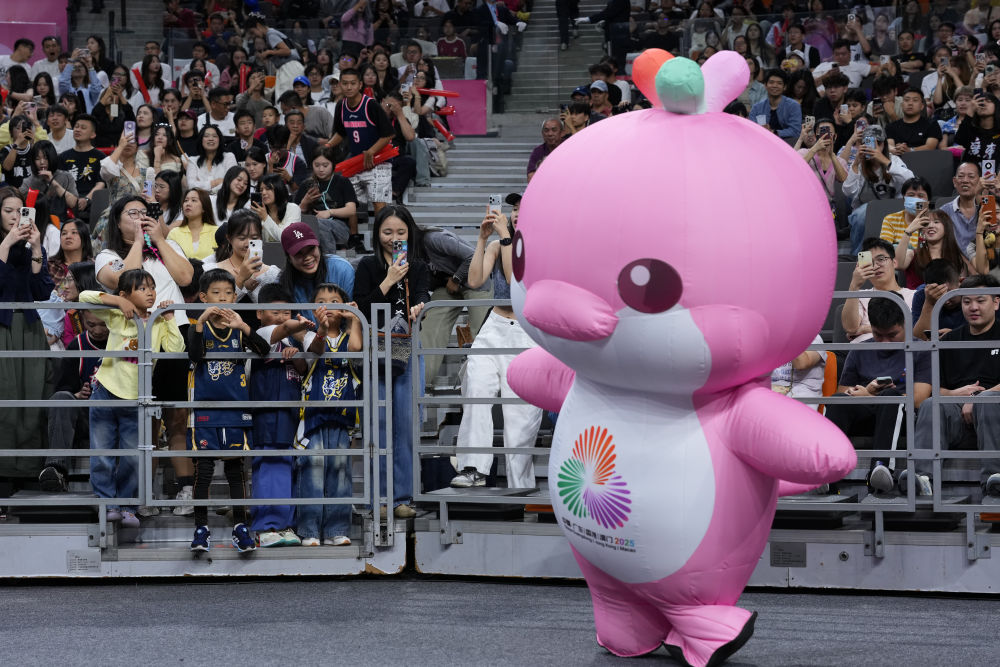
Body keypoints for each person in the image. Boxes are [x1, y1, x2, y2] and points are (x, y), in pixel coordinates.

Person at [95, 195, 195, 514]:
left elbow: (186, 278)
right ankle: (143, 494)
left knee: (176, 417)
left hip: (174, 332)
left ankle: (186, 489)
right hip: (138, 341)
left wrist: (159, 239)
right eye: (131, 213)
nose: (139, 216)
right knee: (145, 421)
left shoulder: (168, 245)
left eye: (144, 212)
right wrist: (139, 241)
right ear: (117, 221)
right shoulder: (109, 256)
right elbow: (123, 280)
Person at [79, 269, 184, 527]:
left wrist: (170, 319)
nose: (150, 293)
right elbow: (84, 296)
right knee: (102, 453)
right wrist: (118, 301)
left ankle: (127, 506)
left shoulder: (158, 322)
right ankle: (107, 504)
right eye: (142, 288)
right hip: (105, 392)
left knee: (132, 458)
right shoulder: (116, 315)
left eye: (152, 287)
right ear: (126, 294)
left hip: (137, 400)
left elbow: (176, 349)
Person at [450, 206, 543, 489]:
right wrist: (482, 239)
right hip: (494, 326)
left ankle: (520, 485)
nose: (517, 214)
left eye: (524, 209)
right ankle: (472, 468)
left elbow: (516, 281)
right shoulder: (496, 244)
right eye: (514, 209)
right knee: (476, 390)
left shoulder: (540, 246)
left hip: (527, 331)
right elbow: (474, 280)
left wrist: (505, 238)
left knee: (520, 416)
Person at [186, 268, 270, 553]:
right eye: (215, 293)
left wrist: (244, 327)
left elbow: (264, 350)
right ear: (203, 297)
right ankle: (201, 528)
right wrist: (201, 322)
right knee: (204, 472)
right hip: (204, 412)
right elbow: (194, 355)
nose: (222, 298)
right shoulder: (197, 327)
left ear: (235, 297)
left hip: (235, 411)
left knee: (236, 471)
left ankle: (240, 527)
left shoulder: (239, 328)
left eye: (228, 293)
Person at [353, 205, 428, 517]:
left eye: (400, 232)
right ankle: (378, 499)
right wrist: (388, 280)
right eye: (387, 232)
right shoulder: (367, 265)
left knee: (405, 425)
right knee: (377, 425)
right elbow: (362, 309)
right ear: (377, 234)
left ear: (410, 233)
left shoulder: (419, 265)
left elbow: (423, 296)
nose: (394, 238)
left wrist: (420, 306)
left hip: (407, 347)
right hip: (375, 348)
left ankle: (402, 498)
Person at [825, 297, 932, 492]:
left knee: (891, 397)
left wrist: (869, 396)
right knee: (837, 401)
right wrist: (864, 392)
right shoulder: (860, 350)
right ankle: (827, 474)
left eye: (892, 335)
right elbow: (843, 393)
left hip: (902, 416)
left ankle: (881, 469)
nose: (885, 342)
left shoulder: (921, 351)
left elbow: (919, 399)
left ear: (906, 324)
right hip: (866, 413)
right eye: (878, 335)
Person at [907, 274, 1000, 498]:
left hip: (994, 414)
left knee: (988, 401)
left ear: (996, 302)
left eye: (980, 300)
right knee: (931, 404)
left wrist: (978, 398)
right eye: (967, 302)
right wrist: (953, 394)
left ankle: (994, 481)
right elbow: (933, 389)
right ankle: (923, 480)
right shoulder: (949, 340)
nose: (973, 307)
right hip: (958, 417)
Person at [297, 282, 363, 546]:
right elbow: (316, 350)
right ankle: (309, 530)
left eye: (335, 302)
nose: (328, 306)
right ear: (314, 309)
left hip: (342, 417)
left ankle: (337, 529)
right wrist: (322, 329)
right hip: (313, 418)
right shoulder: (307, 334)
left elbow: (355, 350)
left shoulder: (350, 336)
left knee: (340, 471)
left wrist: (355, 320)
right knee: (313, 470)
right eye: (322, 302)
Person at [0, 187, 55, 493]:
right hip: (3, 328)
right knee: (5, 397)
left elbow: (42, 291)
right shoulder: (5, 244)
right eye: (8, 210)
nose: (14, 216)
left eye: (20, 210)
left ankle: (31, 471)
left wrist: (35, 247)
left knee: (33, 394)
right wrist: (7, 243)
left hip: (30, 329)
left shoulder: (31, 246)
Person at [249, 284, 309, 547]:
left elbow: (304, 369)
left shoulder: (292, 341)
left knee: (287, 466)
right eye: (275, 311)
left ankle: (286, 525)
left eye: (287, 311)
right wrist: (298, 325)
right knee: (268, 466)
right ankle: (266, 527)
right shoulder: (260, 334)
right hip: (267, 411)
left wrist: (296, 356)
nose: (282, 316)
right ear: (260, 313)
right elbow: (283, 329)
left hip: (291, 411)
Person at [39, 300, 108, 492]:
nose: (97, 330)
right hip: (85, 415)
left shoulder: (124, 343)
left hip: (113, 413)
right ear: (83, 320)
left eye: (103, 324)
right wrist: (77, 394)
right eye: (91, 324)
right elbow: (63, 387)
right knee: (62, 398)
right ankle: (56, 469)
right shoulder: (77, 345)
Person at [419, 223, 493, 390]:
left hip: (476, 280)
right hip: (447, 286)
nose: (395, 238)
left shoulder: (434, 238)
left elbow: (472, 255)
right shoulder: (402, 252)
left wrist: (456, 278)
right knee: (430, 327)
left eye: (401, 232)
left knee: (481, 333)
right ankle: (422, 384)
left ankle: (483, 385)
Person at [326, 68, 394, 230]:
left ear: (360, 85)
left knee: (379, 204)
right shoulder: (341, 106)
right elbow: (341, 133)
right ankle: (354, 237)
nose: (349, 87)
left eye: (353, 83)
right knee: (349, 203)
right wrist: (327, 146)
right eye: (345, 83)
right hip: (356, 161)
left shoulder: (371, 105)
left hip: (378, 161)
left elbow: (389, 134)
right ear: (340, 85)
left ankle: (380, 237)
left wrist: (371, 151)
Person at [843, 125, 915, 255]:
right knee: (861, 214)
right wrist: (855, 164)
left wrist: (884, 160)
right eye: (869, 143)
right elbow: (847, 192)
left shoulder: (893, 160)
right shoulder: (859, 164)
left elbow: (911, 180)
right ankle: (857, 256)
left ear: (884, 145)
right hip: (865, 211)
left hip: (892, 208)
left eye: (878, 143)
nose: (874, 147)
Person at [842, 238, 917, 343]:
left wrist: (864, 329)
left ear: (894, 262)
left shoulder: (914, 296)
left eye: (881, 259)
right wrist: (854, 285)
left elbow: (917, 331)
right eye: (870, 262)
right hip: (864, 351)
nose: (876, 266)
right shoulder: (859, 295)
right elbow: (850, 328)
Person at [278, 222, 355, 323]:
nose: (307, 257)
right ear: (289, 258)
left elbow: (350, 316)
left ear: (318, 246)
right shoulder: (283, 282)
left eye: (311, 249)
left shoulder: (342, 269)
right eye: (299, 253)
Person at [295, 146, 359, 254]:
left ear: (333, 164)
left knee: (317, 223)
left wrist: (329, 212)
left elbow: (351, 210)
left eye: (325, 165)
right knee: (312, 224)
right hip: (312, 225)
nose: (321, 169)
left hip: (339, 227)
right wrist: (304, 204)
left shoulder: (342, 181)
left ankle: (328, 257)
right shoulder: (306, 184)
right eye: (317, 165)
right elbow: (293, 214)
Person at [207, 209, 281, 302]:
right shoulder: (212, 271)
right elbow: (216, 308)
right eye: (242, 238)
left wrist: (251, 290)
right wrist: (241, 280)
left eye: (254, 238)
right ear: (229, 238)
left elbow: (276, 308)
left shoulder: (272, 274)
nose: (248, 244)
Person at [894, 209, 976, 289]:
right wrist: (908, 231)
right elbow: (897, 264)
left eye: (936, 222)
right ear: (922, 230)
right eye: (926, 223)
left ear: (946, 227)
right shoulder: (912, 254)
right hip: (917, 298)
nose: (930, 226)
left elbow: (961, 287)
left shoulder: (957, 258)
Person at [19, 141, 79, 240]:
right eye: (37, 159)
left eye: (45, 158)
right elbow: (20, 205)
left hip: (60, 222)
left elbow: (73, 203)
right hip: (35, 224)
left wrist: (53, 182)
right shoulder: (29, 181)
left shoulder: (66, 177)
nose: (42, 162)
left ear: (52, 158)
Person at [911, 259, 967, 341]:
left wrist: (954, 335)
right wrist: (929, 303)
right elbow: (918, 340)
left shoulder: (971, 295)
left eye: (949, 294)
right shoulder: (922, 296)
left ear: (961, 282)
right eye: (939, 296)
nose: (946, 301)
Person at [798, 119, 847, 211]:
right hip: (806, 204)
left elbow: (842, 178)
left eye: (829, 133)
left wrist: (832, 155)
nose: (825, 135)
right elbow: (795, 168)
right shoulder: (804, 152)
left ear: (835, 136)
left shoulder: (840, 161)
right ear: (816, 135)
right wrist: (814, 149)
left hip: (828, 208)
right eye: (821, 132)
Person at [942, 161, 985, 259]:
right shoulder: (944, 212)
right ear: (954, 181)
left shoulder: (988, 208)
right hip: (955, 264)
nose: (965, 180)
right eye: (961, 176)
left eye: (971, 176)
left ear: (980, 181)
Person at [770, 334, 826, 409]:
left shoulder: (814, 337)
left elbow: (801, 363)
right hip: (771, 389)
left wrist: (787, 335)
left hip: (801, 392)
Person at [878, 176, 932, 250]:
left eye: (920, 196)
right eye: (911, 195)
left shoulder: (934, 221)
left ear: (928, 201)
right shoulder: (890, 220)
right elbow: (885, 250)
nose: (915, 199)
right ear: (904, 199)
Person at [749, 69, 801, 140]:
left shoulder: (793, 106)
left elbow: (796, 131)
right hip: (762, 142)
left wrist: (774, 132)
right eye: (771, 82)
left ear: (785, 87)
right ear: (765, 85)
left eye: (779, 83)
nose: (775, 86)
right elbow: (751, 130)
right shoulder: (756, 108)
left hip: (787, 144)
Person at [886, 88, 943, 154]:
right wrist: (897, 149)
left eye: (915, 100)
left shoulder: (932, 124)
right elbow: (889, 145)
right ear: (902, 105)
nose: (910, 103)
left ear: (922, 106)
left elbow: (930, 147)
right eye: (906, 100)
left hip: (924, 159)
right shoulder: (891, 126)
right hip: (898, 158)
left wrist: (910, 150)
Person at [169, 188, 219, 261]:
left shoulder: (216, 232)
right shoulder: (174, 233)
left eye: (193, 200)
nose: (188, 204)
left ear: (204, 207)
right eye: (186, 200)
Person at [186, 125, 238, 195]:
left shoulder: (229, 157)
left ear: (219, 140)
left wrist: (201, 186)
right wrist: (215, 183)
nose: (211, 139)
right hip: (201, 200)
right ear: (201, 140)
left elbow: (231, 182)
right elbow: (191, 185)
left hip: (223, 199)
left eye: (214, 136)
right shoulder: (193, 161)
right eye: (206, 136)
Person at [953, 92, 1000, 166]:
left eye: (988, 101)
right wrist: (970, 111)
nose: (983, 104)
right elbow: (959, 140)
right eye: (980, 102)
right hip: (970, 172)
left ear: (996, 106)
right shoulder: (971, 129)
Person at [253, 174, 302, 242]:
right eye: (261, 190)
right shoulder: (258, 213)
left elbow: (286, 238)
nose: (263, 193)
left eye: (268, 188)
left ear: (278, 189)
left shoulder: (293, 209)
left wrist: (265, 218)